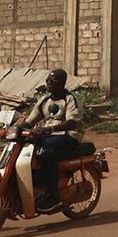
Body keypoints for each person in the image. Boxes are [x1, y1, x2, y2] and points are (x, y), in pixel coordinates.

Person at [15, 69, 83, 211]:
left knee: (45, 152)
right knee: (25, 148)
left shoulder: (70, 99)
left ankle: (53, 195)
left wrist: (49, 129)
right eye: (47, 81)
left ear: (63, 83)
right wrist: (17, 128)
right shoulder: (44, 100)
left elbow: (72, 123)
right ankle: (34, 185)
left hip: (68, 135)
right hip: (47, 135)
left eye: (53, 81)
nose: (49, 83)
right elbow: (30, 120)